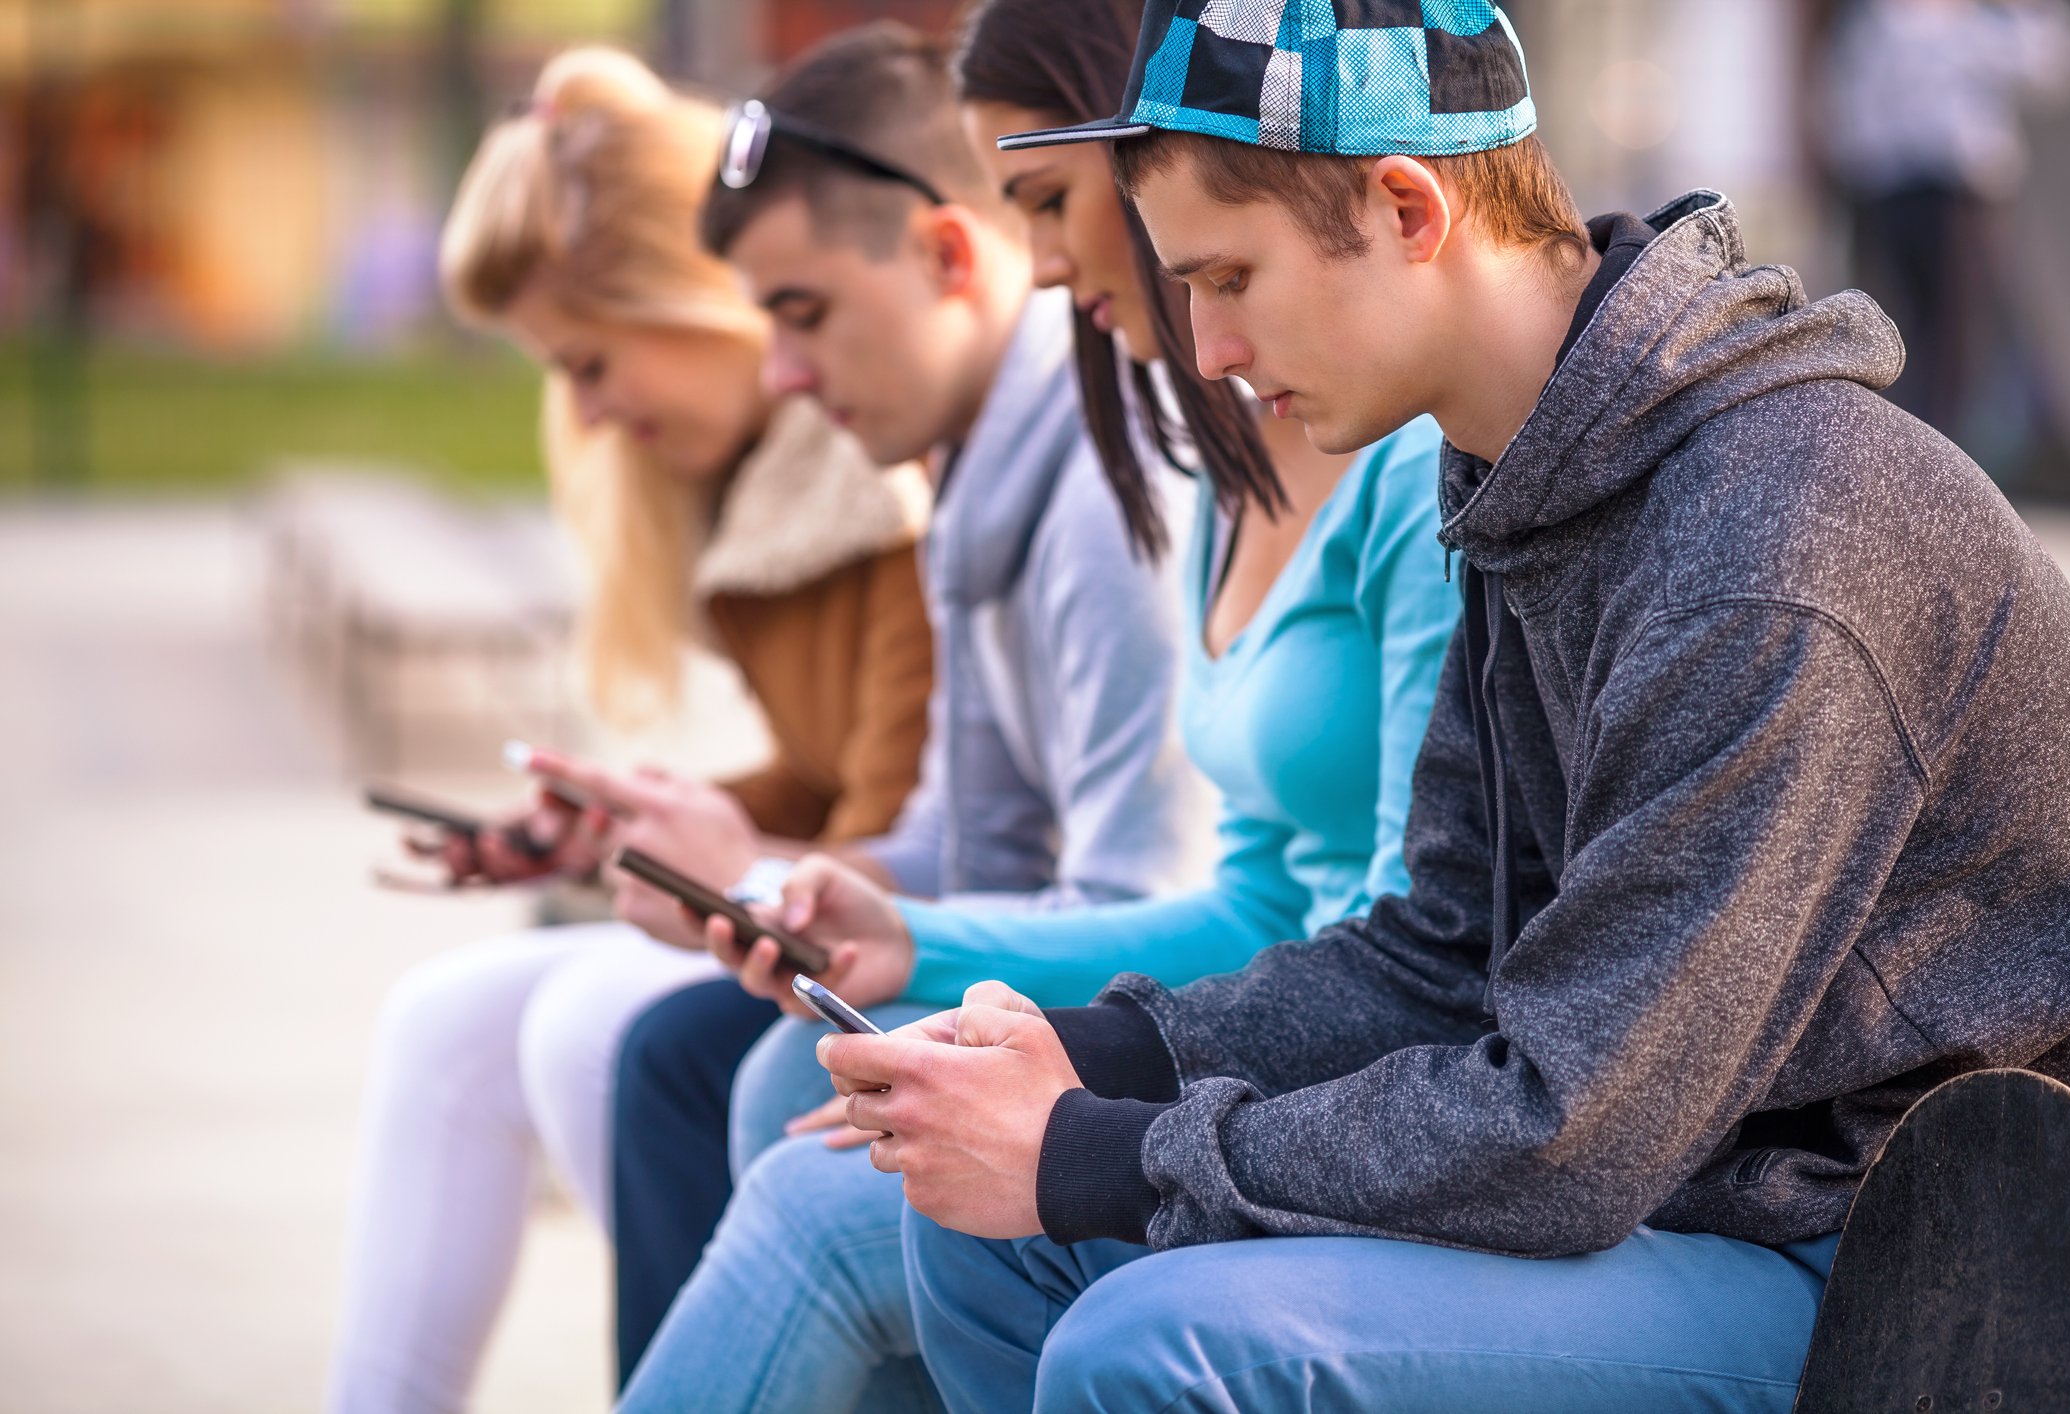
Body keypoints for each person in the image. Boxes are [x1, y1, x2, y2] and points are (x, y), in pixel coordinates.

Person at [825, 3, 2070, 1409]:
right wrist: (1090, 1052)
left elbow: (1572, 1127)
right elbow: (1442, 953)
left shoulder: (1773, 550)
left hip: (1891, 1264)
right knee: (988, 1245)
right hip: (1689, 1185)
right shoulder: (1535, 477)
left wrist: (1096, 1150)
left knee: (1156, 1343)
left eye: (1229, 275)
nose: (1201, 349)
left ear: (1403, 206)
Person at [610, 1, 1458, 1407]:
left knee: (829, 1196)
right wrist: (912, 941)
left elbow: (1414, 950)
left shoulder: (1402, 458)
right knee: (797, 1098)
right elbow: (1250, 899)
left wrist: (1067, 1096)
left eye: (1052, 198)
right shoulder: (1229, 460)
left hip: (1351, 1092)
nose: (1044, 259)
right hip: (1266, 1026)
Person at [580, 21, 1214, 1388]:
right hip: (1074, 1015)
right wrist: (781, 886)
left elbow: (1147, 896)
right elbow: (951, 833)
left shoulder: (1118, 495)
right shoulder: (982, 476)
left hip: (1179, 1055)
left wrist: (782, 882)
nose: (787, 377)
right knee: (736, 1067)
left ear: (944, 254)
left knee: (778, 1116)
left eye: (802, 313)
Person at [325, 48, 938, 1414]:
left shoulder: (873, 480)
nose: (589, 411)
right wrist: (623, 830)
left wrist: (719, 852)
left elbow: (913, 838)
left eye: (590, 359)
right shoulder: (760, 491)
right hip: (866, 901)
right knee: (447, 1015)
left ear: (696, 297)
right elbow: (829, 775)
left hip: (952, 942)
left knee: (593, 1025)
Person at [1819, 0, 2070, 445]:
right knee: (1893, 322)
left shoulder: (1987, 24)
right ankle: (1894, 442)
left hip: (1962, 196)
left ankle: (1942, 446)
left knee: (1957, 333)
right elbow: (1851, 103)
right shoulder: (1882, 20)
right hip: (1893, 191)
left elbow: (2051, 74)